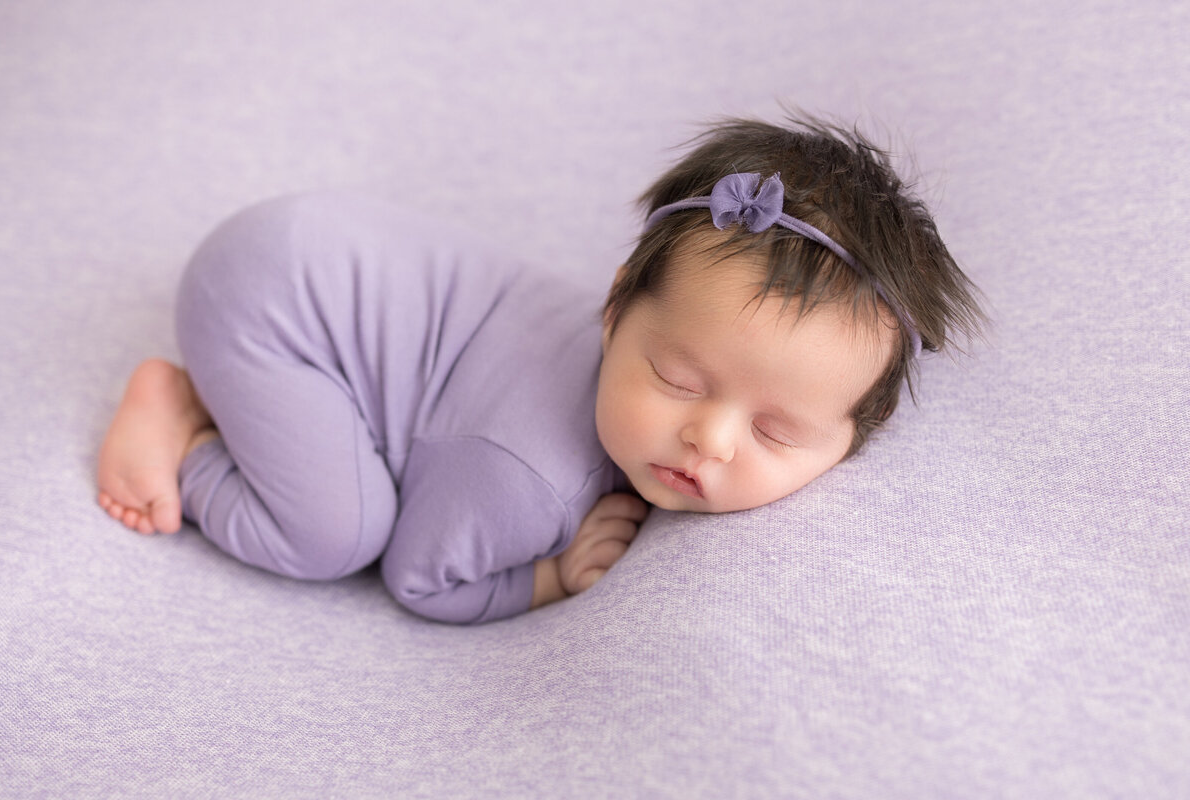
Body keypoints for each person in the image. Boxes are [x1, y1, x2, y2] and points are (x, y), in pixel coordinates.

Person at [96, 116, 984, 624]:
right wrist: (546, 579)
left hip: (321, 243)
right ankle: (179, 430)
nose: (707, 437)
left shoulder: (661, 330)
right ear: (613, 310)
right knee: (335, 535)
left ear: (848, 443)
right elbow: (419, 576)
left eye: (776, 431)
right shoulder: (531, 477)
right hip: (268, 304)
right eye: (676, 377)